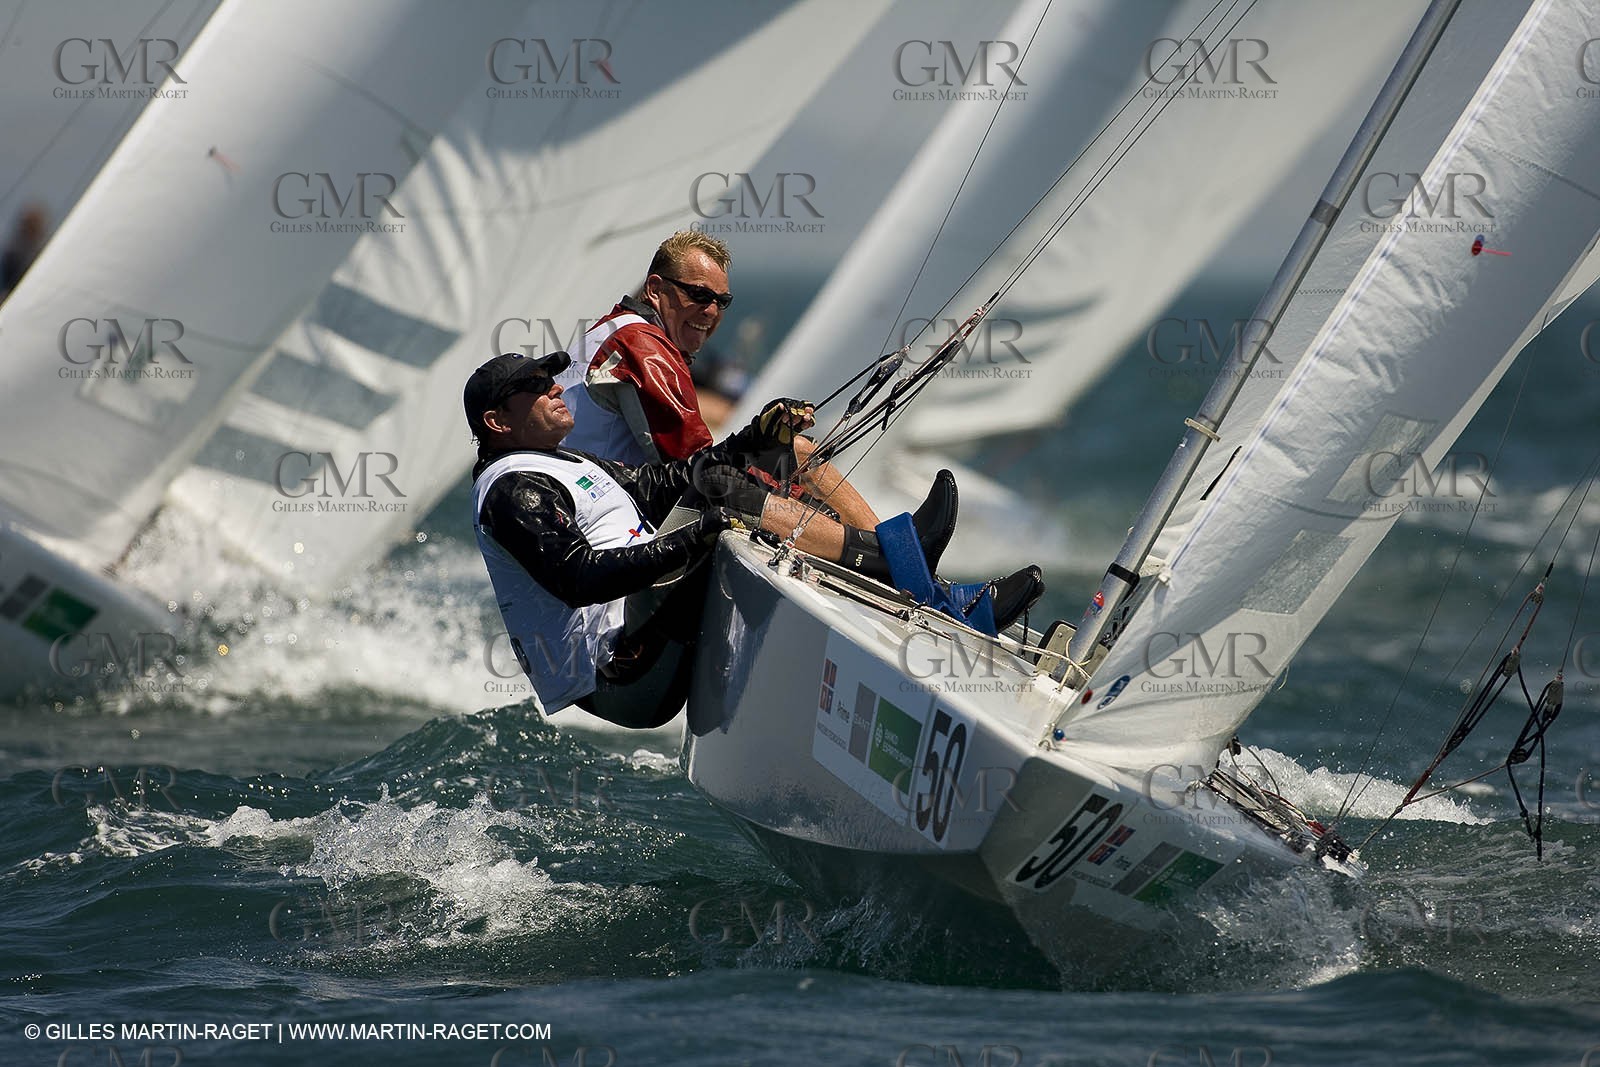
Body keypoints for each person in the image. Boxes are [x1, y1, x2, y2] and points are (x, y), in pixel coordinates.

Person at [467, 351, 1042, 727]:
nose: (554, 390)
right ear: (498, 421)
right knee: (722, 502)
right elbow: (580, 578)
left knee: (778, 455)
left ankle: (915, 576)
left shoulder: (557, 462)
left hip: (643, 629)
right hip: (618, 672)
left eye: (550, 380)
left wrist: (754, 436)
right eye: (536, 389)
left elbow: (669, 483)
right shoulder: (513, 490)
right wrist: (697, 539)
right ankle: (901, 562)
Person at [560, 229, 880, 530]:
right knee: (795, 451)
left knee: (789, 451)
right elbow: (703, 469)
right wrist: (797, 493)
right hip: (595, 520)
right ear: (655, 289)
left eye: (721, 301)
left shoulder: (613, 328)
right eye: (699, 295)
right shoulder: (642, 344)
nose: (712, 311)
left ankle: (883, 546)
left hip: (585, 503)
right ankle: (880, 549)